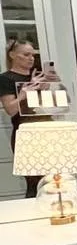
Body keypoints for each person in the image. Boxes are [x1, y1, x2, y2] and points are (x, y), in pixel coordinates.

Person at [0, 39, 59, 196]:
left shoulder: (38, 76)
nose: (31, 58)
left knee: (53, 178)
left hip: (46, 129)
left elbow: (43, 107)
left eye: (33, 55)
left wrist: (45, 90)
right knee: (34, 181)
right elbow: (11, 110)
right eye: (26, 54)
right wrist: (23, 95)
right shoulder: (5, 78)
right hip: (25, 133)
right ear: (12, 55)